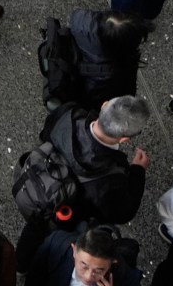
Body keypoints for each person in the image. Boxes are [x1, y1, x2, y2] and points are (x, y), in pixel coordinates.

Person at [15, 96, 153, 264]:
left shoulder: (69, 113)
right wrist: (138, 171)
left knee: (32, 236)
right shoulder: (110, 180)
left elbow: (45, 134)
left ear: (104, 105)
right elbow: (124, 213)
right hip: (62, 219)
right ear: (124, 139)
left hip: (31, 182)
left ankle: (20, 262)